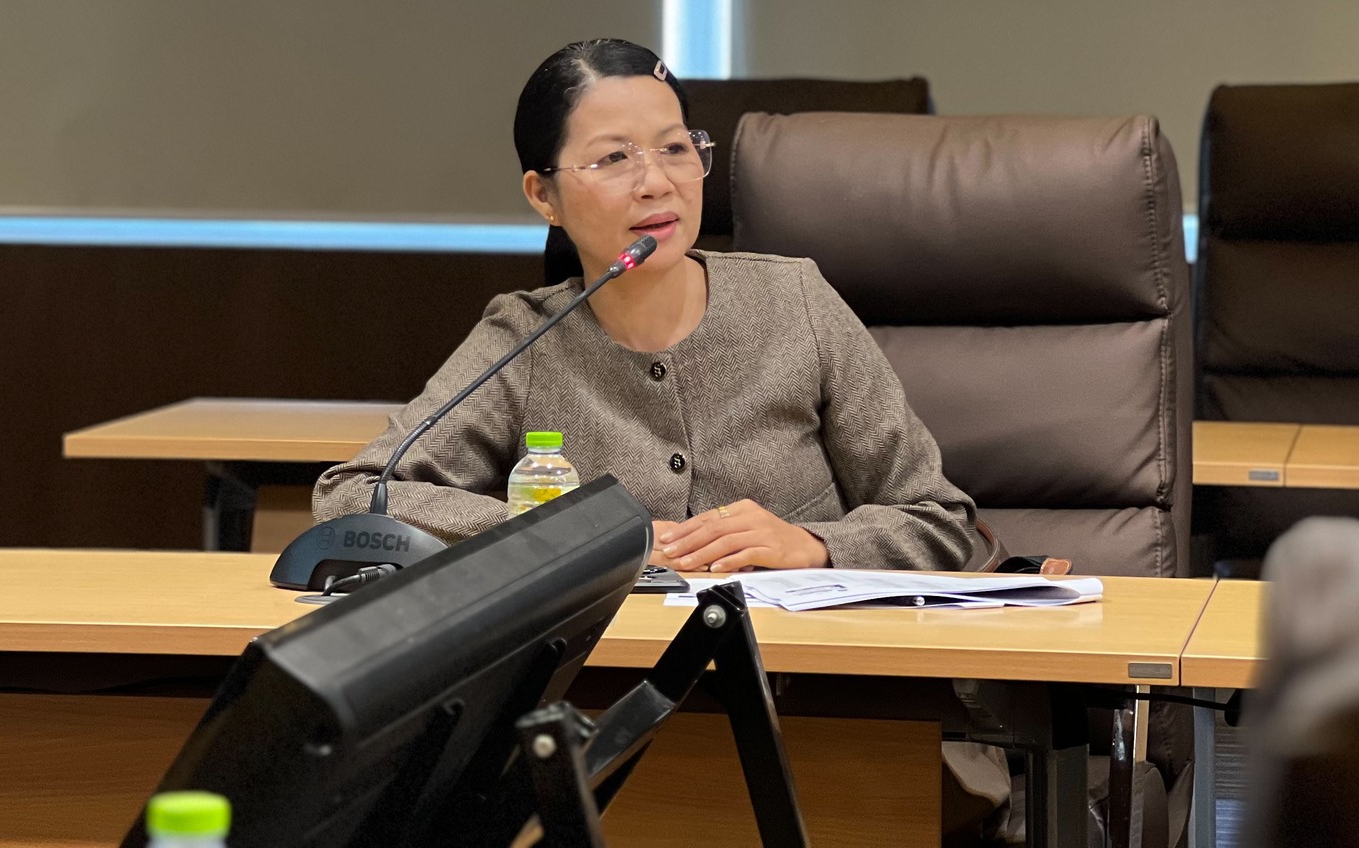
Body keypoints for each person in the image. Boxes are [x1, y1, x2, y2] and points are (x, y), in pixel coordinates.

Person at [314, 38, 977, 573]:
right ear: (544, 196)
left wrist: (814, 545)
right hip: (608, 675)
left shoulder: (795, 302)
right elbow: (354, 495)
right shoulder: (527, 338)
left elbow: (937, 519)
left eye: (675, 149)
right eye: (613, 159)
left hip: (803, 678)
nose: (656, 182)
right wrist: (569, 533)